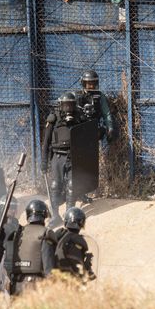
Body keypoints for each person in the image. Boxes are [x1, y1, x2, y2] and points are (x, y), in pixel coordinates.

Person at [42, 92, 81, 221]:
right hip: (58, 156)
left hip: (73, 156)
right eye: (65, 105)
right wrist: (44, 162)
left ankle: (69, 213)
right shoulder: (53, 119)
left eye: (71, 105)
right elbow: (46, 142)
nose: (68, 108)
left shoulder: (79, 118)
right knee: (55, 185)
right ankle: (55, 215)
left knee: (71, 185)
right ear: (60, 105)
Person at [11, 200, 56, 294]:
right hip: (35, 285)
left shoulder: (18, 233)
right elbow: (48, 266)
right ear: (44, 215)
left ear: (28, 215)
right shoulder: (45, 233)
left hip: (16, 284)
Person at [51, 207, 96, 280]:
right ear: (82, 224)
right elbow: (78, 269)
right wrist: (87, 266)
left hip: (53, 278)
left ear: (65, 222)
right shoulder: (77, 241)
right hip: (69, 282)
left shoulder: (57, 235)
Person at [76, 70, 115, 142]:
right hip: (79, 127)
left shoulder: (100, 96)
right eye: (89, 83)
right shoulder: (77, 95)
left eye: (93, 83)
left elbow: (106, 114)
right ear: (84, 83)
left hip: (94, 128)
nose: (91, 86)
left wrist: (110, 129)